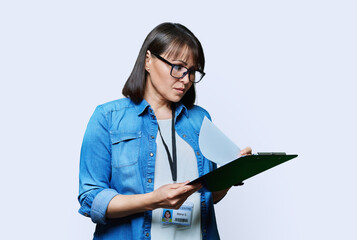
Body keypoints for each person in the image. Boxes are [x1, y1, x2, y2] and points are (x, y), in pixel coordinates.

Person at [78, 22, 252, 240]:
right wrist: (154, 200)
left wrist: (231, 174)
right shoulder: (108, 117)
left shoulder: (199, 119)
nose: (187, 79)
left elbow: (209, 197)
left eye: (192, 71)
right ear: (148, 60)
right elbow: (91, 199)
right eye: (178, 67)